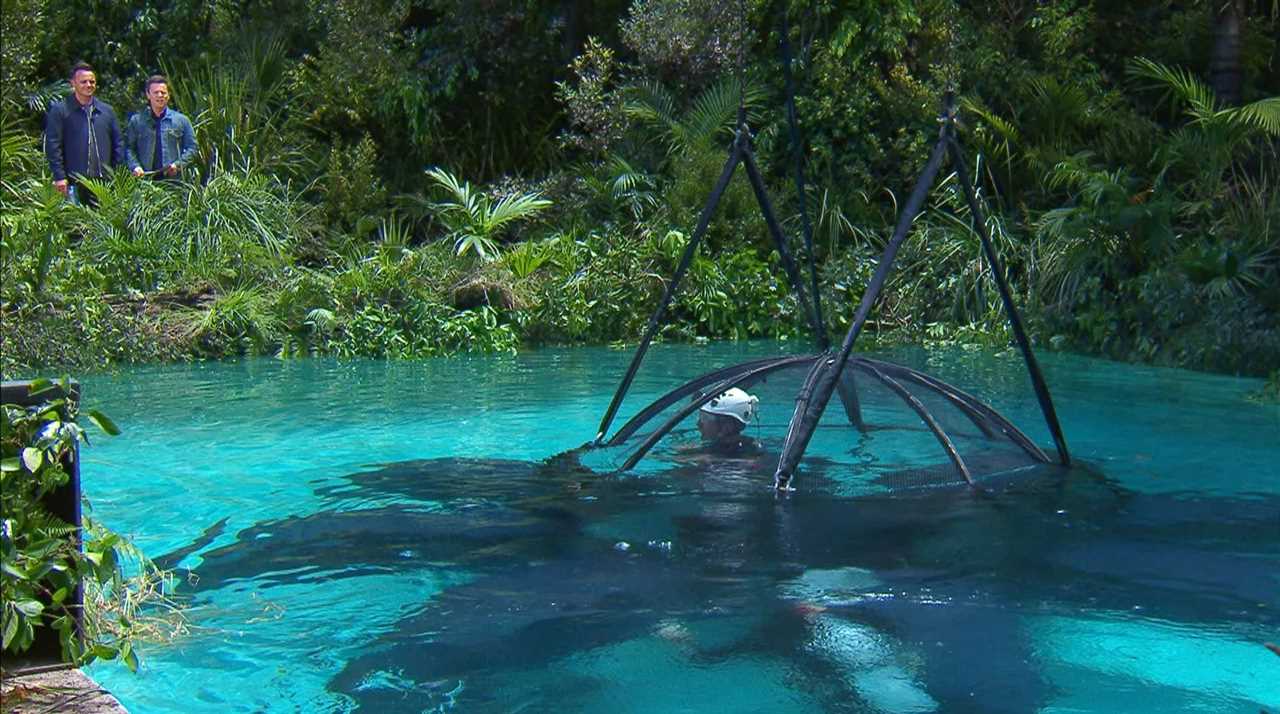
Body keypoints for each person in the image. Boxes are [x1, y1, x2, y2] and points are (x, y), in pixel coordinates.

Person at [44, 61, 125, 206]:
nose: (89, 85)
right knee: (78, 226)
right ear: (73, 83)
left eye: (92, 81)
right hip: (74, 181)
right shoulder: (61, 111)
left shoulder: (107, 111)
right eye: (83, 82)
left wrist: (116, 173)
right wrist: (59, 176)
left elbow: (118, 143)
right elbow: (53, 145)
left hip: (104, 183)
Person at [125, 74, 197, 180]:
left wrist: (178, 165)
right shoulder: (137, 121)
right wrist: (135, 167)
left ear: (168, 95)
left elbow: (193, 148)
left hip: (173, 182)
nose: (160, 95)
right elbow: (129, 148)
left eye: (163, 92)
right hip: (145, 181)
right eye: (156, 92)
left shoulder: (181, 120)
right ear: (148, 95)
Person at [695, 387, 762, 456]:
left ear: (726, 426)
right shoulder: (752, 447)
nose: (698, 424)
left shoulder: (745, 459)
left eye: (705, 418)